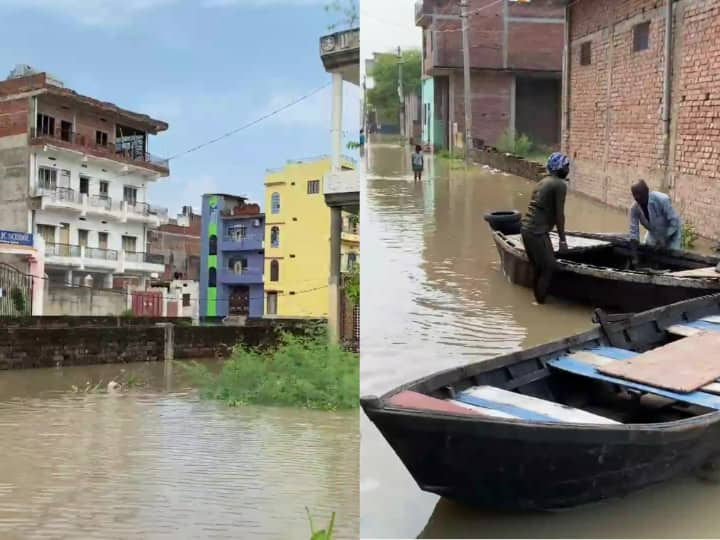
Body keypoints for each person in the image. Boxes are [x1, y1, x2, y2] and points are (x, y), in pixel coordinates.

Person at [520, 152, 570, 304]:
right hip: (537, 231)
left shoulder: (543, 182)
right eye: (566, 166)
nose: (568, 169)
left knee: (538, 267)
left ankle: (536, 300)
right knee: (550, 267)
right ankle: (540, 303)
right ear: (558, 168)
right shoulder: (559, 185)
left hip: (527, 229)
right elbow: (559, 215)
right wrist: (562, 240)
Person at [629, 180, 682, 265]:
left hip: (672, 234)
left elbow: (675, 222)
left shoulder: (662, 199)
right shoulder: (634, 209)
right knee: (649, 255)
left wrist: (663, 239)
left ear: (647, 190)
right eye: (635, 194)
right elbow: (634, 233)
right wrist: (634, 258)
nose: (638, 197)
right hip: (654, 234)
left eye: (640, 193)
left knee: (672, 260)